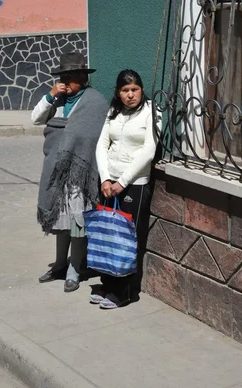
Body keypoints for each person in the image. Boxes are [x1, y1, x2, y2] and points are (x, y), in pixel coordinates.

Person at [32, 51, 108, 293]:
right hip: (55, 169)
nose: (67, 81)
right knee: (59, 218)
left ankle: (74, 269)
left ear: (83, 77)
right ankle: (59, 266)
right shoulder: (58, 100)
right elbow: (36, 119)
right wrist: (51, 94)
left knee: (77, 219)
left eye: (72, 77)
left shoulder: (95, 102)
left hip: (80, 171)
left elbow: (94, 136)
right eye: (64, 77)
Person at [94, 69, 161, 309]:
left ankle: (124, 292)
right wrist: (104, 178)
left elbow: (148, 151)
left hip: (133, 184)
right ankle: (108, 284)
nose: (130, 95)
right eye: (125, 90)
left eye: (134, 89)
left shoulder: (152, 112)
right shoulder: (114, 112)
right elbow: (102, 144)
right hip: (108, 183)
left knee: (126, 238)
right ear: (118, 93)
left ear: (142, 90)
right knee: (108, 234)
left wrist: (122, 182)